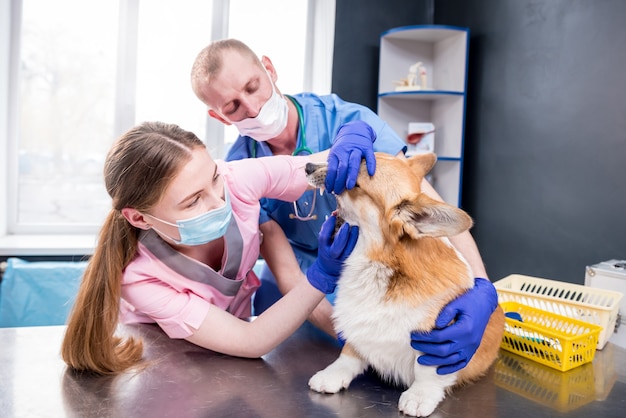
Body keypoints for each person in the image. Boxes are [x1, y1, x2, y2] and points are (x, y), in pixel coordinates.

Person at [190, 39, 499, 375]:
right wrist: (356, 339)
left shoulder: (345, 120)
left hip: (375, 272)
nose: (252, 108)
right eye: (233, 107)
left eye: (253, 87)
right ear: (216, 116)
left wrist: (483, 288)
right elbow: (289, 272)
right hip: (305, 289)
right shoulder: (240, 169)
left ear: (269, 68)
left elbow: (426, 202)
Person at [61, 121, 366, 375]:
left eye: (214, 178)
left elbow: (317, 165)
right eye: (193, 201)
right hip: (169, 369)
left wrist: (351, 135)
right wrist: (321, 275)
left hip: (238, 367)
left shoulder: (235, 180)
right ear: (139, 218)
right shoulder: (140, 279)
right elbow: (252, 341)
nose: (220, 202)